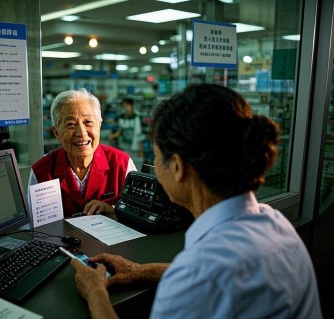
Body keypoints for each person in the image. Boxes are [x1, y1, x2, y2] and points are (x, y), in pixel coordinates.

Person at [70, 84, 322, 318]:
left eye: (156, 158)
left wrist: (95, 294)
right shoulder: (274, 222)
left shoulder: (196, 280)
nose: (155, 168)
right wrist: (141, 271)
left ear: (178, 167)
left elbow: (202, 276)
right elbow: (214, 274)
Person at [28, 88, 137, 217]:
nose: (81, 133)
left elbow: (139, 211)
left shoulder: (122, 164)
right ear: (56, 133)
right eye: (70, 124)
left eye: (88, 122)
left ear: (99, 125)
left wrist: (113, 209)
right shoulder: (41, 172)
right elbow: (35, 227)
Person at [109, 97, 145, 168]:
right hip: (124, 146)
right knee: (126, 167)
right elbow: (121, 131)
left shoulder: (137, 117)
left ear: (131, 105)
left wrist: (141, 151)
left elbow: (139, 135)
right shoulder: (122, 117)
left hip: (135, 147)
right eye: (123, 106)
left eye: (126, 105)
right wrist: (113, 136)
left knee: (136, 167)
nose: (125, 108)